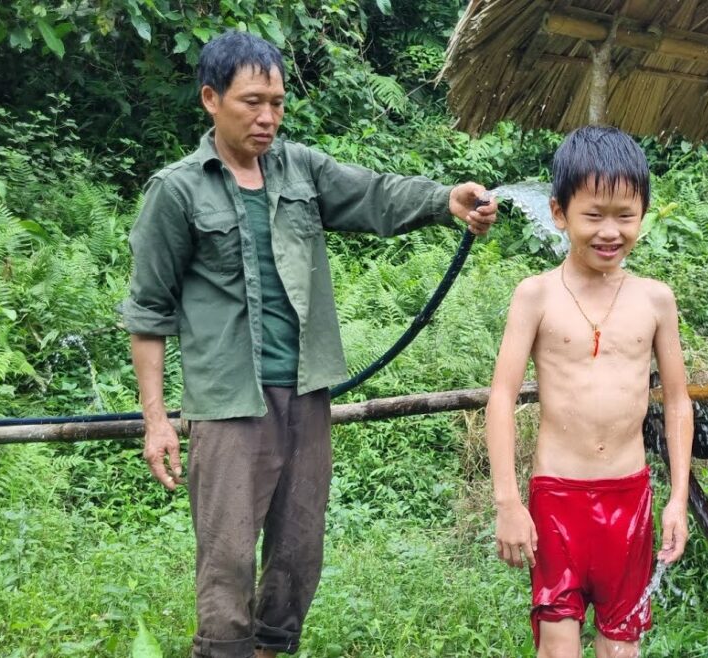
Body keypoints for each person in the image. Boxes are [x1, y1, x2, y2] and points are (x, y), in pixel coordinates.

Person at [122, 30, 496, 658]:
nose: (267, 117)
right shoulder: (177, 190)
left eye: (277, 101)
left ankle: (270, 648)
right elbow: (148, 312)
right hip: (227, 400)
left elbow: (375, 194)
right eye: (251, 102)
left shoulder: (301, 169)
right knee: (228, 553)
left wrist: (445, 201)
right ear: (211, 99)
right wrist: (156, 418)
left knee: (298, 548)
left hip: (305, 390)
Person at [485, 125, 693, 658]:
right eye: (594, 215)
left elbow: (676, 400)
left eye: (626, 216)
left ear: (643, 213)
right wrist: (508, 501)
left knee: (621, 642)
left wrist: (676, 499)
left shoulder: (655, 300)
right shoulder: (536, 296)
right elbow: (502, 399)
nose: (610, 231)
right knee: (558, 643)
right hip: (557, 496)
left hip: (630, 494)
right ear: (560, 212)